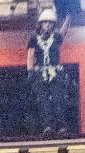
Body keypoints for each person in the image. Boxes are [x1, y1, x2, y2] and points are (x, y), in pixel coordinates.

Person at [27, 7, 71, 135]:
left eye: (50, 23)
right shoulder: (34, 38)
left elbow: (63, 32)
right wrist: (30, 71)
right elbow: (30, 54)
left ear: (53, 25)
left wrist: (68, 18)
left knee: (58, 99)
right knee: (43, 100)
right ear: (40, 24)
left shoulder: (56, 36)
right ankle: (47, 126)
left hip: (56, 71)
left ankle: (61, 126)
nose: (47, 25)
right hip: (39, 72)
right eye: (45, 22)